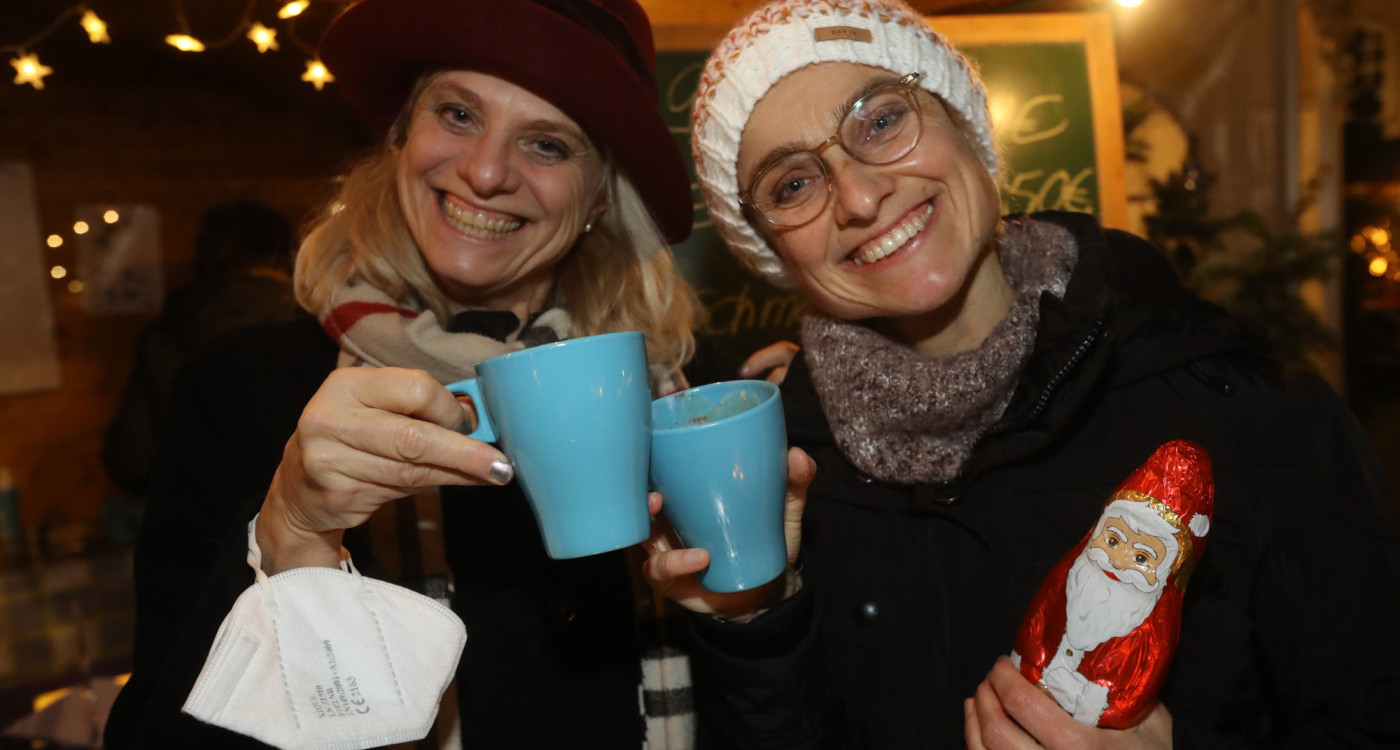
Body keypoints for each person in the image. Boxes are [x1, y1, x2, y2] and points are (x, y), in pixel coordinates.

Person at [642, 0, 1400, 747]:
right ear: (773, 250)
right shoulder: (788, 477)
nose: (863, 197)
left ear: (964, 123)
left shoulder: (1246, 414)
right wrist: (756, 623)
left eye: (880, 120)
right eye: (794, 185)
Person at [104, 0, 702, 747]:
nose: (485, 171)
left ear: (598, 198)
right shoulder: (241, 392)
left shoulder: (677, 396)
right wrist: (289, 539)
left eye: (547, 144)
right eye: (457, 113)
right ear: (400, 134)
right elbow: (154, 736)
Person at [103, 199, 305, 499]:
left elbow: (132, 457)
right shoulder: (311, 322)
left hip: (201, 519)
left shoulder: (167, 332)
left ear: (207, 254)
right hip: (303, 514)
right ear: (287, 251)